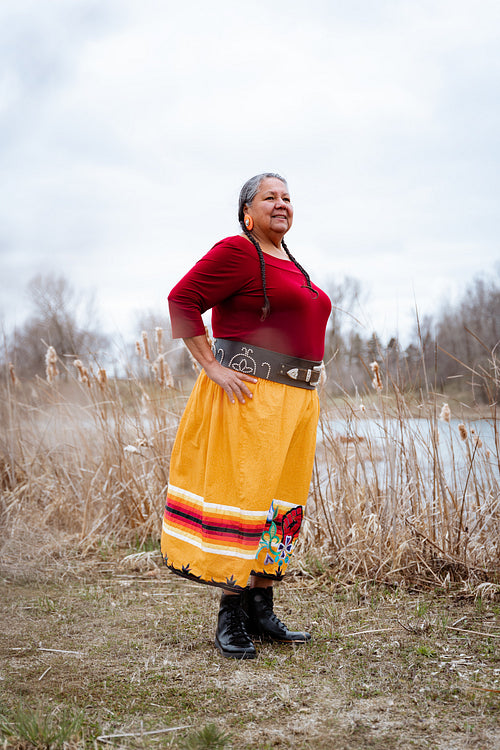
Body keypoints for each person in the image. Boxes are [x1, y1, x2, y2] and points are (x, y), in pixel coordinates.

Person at [161, 173, 331, 659]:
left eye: (287, 198)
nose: (281, 204)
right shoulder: (239, 252)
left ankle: (261, 606)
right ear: (247, 213)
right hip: (250, 399)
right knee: (248, 498)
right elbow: (182, 299)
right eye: (269, 198)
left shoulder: (291, 263)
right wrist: (211, 366)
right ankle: (230, 614)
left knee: (283, 504)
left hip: (298, 400)